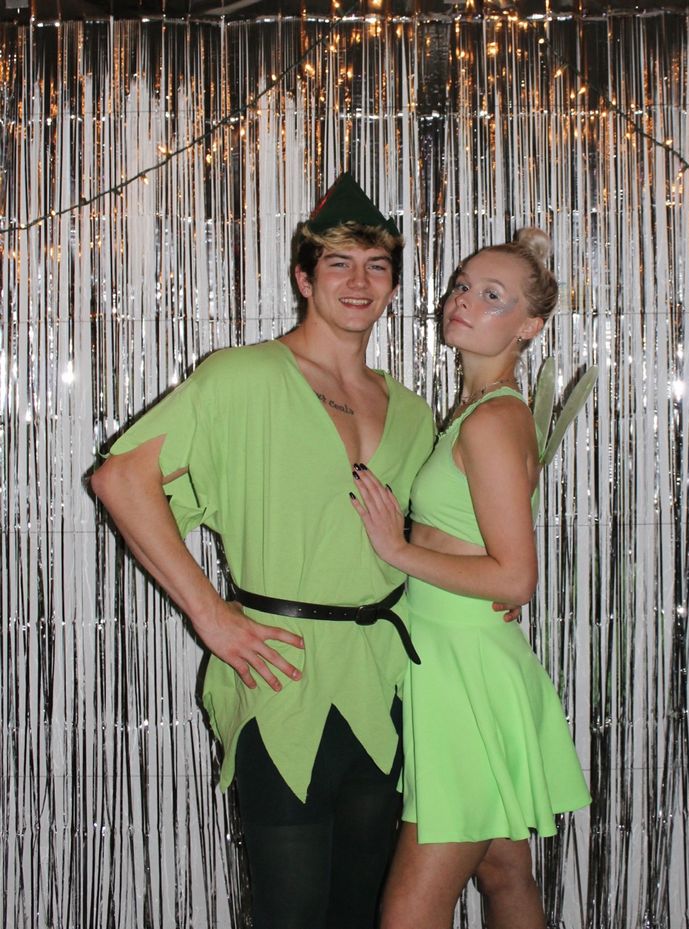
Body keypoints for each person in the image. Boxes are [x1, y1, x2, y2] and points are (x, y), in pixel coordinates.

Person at [89, 173, 437, 929]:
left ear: (393, 285)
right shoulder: (241, 377)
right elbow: (122, 479)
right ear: (303, 277)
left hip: (384, 677)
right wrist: (210, 615)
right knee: (290, 911)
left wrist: (489, 589)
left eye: (376, 265)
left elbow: (426, 538)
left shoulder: (410, 409)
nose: (358, 281)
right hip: (280, 672)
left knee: (362, 906)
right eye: (338, 263)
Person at [350, 228, 592, 929]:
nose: (464, 300)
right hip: (463, 659)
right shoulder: (480, 412)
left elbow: (514, 578)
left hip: (462, 674)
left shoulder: (490, 421)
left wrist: (395, 550)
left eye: (492, 296)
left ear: (529, 326)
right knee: (503, 872)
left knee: (408, 913)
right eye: (461, 285)